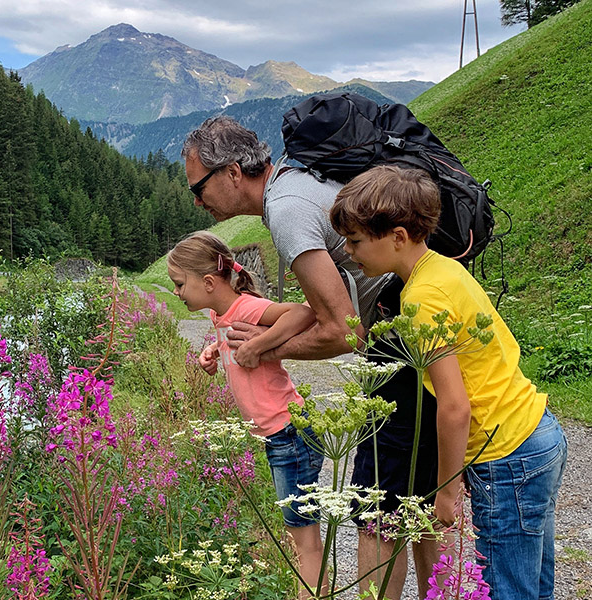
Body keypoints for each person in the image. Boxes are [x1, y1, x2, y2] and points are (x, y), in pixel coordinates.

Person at [182, 116, 440, 599]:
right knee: (416, 503)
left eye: (200, 187)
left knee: (377, 505)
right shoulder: (297, 179)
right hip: (422, 331)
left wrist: (258, 349)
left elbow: (345, 332)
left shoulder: (284, 209)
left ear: (234, 173)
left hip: (400, 342)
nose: (198, 201)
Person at [329, 164, 568, 600]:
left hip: (504, 453)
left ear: (398, 236)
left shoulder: (421, 296)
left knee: (507, 590)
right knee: (534, 581)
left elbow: (454, 406)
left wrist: (445, 492)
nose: (347, 251)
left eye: (356, 240)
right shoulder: (444, 268)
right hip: (536, 431)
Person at [167, 230, 325, 597]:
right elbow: (231, 340)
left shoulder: (249, 307)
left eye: (178, 284)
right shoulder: (219, 312)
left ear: (208, 282)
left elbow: (302, 312)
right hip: (278, 436)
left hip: (290, 434)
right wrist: (212, 352)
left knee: (306, 542)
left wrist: (260, 345)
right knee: (298, 532)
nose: (176, 292)